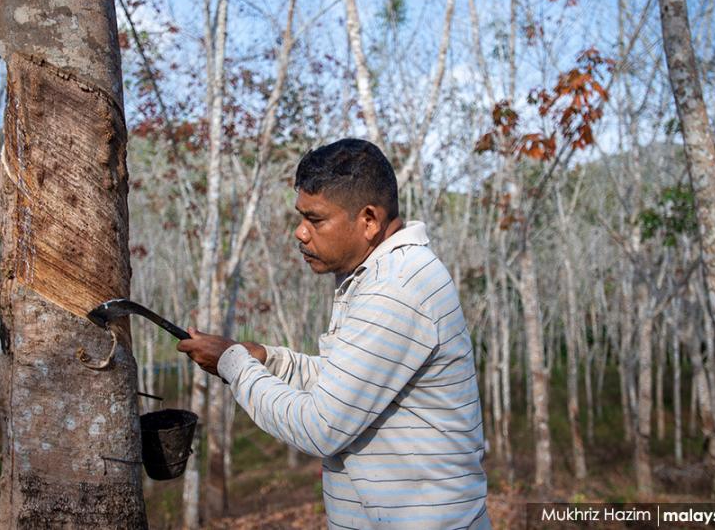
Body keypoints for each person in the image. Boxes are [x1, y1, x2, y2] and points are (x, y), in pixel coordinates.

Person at [178, 138, 490, 529]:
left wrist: (234, 365)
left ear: (369, 220)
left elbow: (321, 427)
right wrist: (268, 361)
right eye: (301, 217)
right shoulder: (377, 275)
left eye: (316, 219)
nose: (300, 233)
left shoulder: (395, 287)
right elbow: (343, 384)